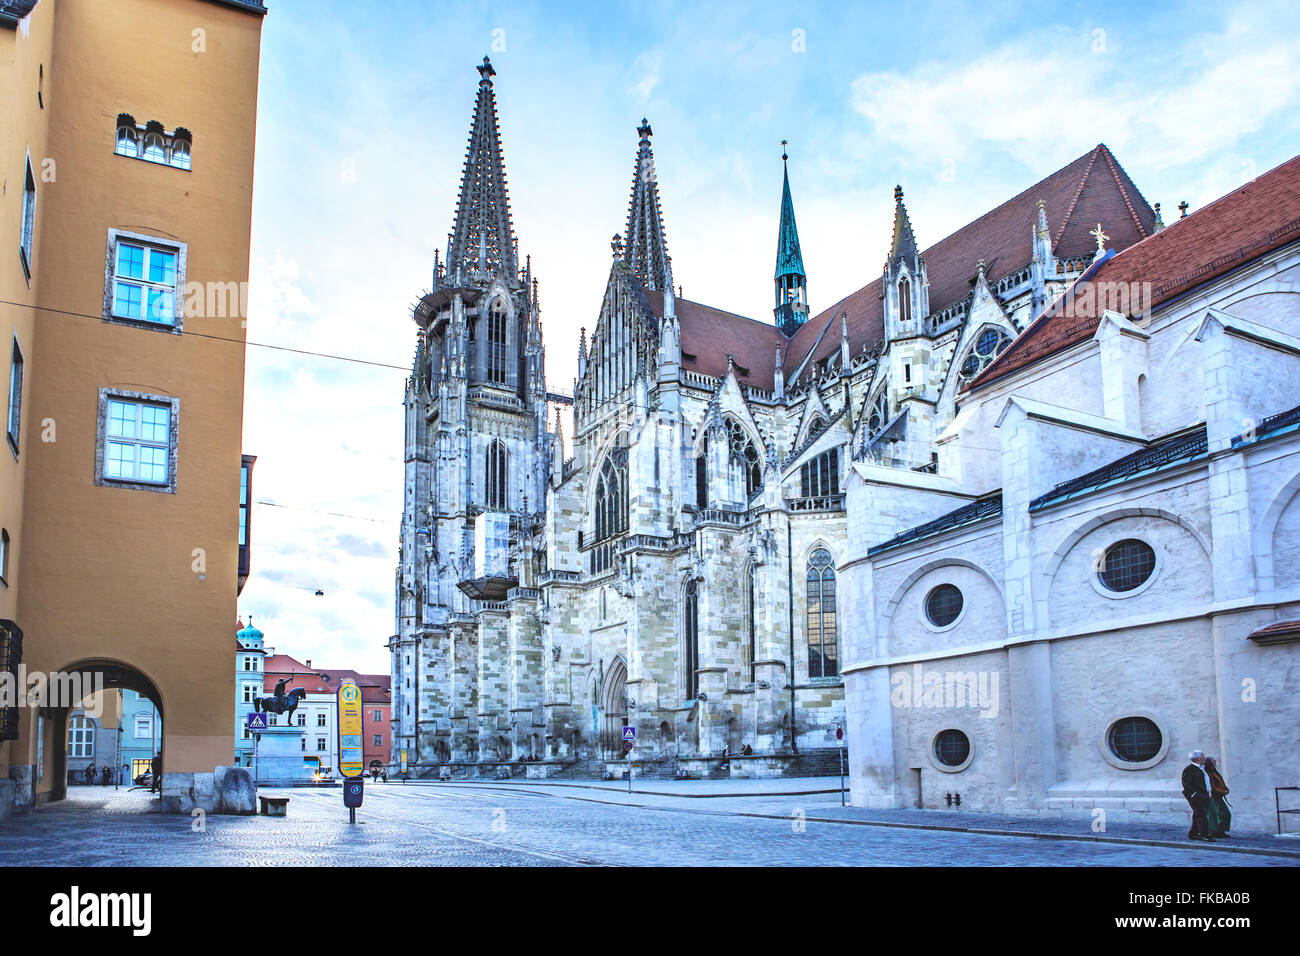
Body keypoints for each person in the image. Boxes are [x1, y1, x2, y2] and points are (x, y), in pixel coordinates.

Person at [1181, 750, 1214, 842]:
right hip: (1197, 797)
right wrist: (1194, 794)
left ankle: (1193, 833)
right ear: (1199, 758)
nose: (1205, 758)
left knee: (1198, 815)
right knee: (1201, 815)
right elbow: (1186, 783)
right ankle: (1205, 835)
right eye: (1203, 756)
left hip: (1205, 795)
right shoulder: (1189, 769)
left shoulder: (1203, 768)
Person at [1205, 756, 1232, 838]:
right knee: (1215, 815)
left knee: (1225, 814)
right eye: (1213, 762)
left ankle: (1221, 831)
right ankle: (1215, 832)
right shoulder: (1208, 774)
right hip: (1213, 797)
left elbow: (1220, 782)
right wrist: (1223, 791)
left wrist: (1225, 789)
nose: (1215, 763)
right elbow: (1212, 787)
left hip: (1218, 796)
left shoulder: (1214, 772)